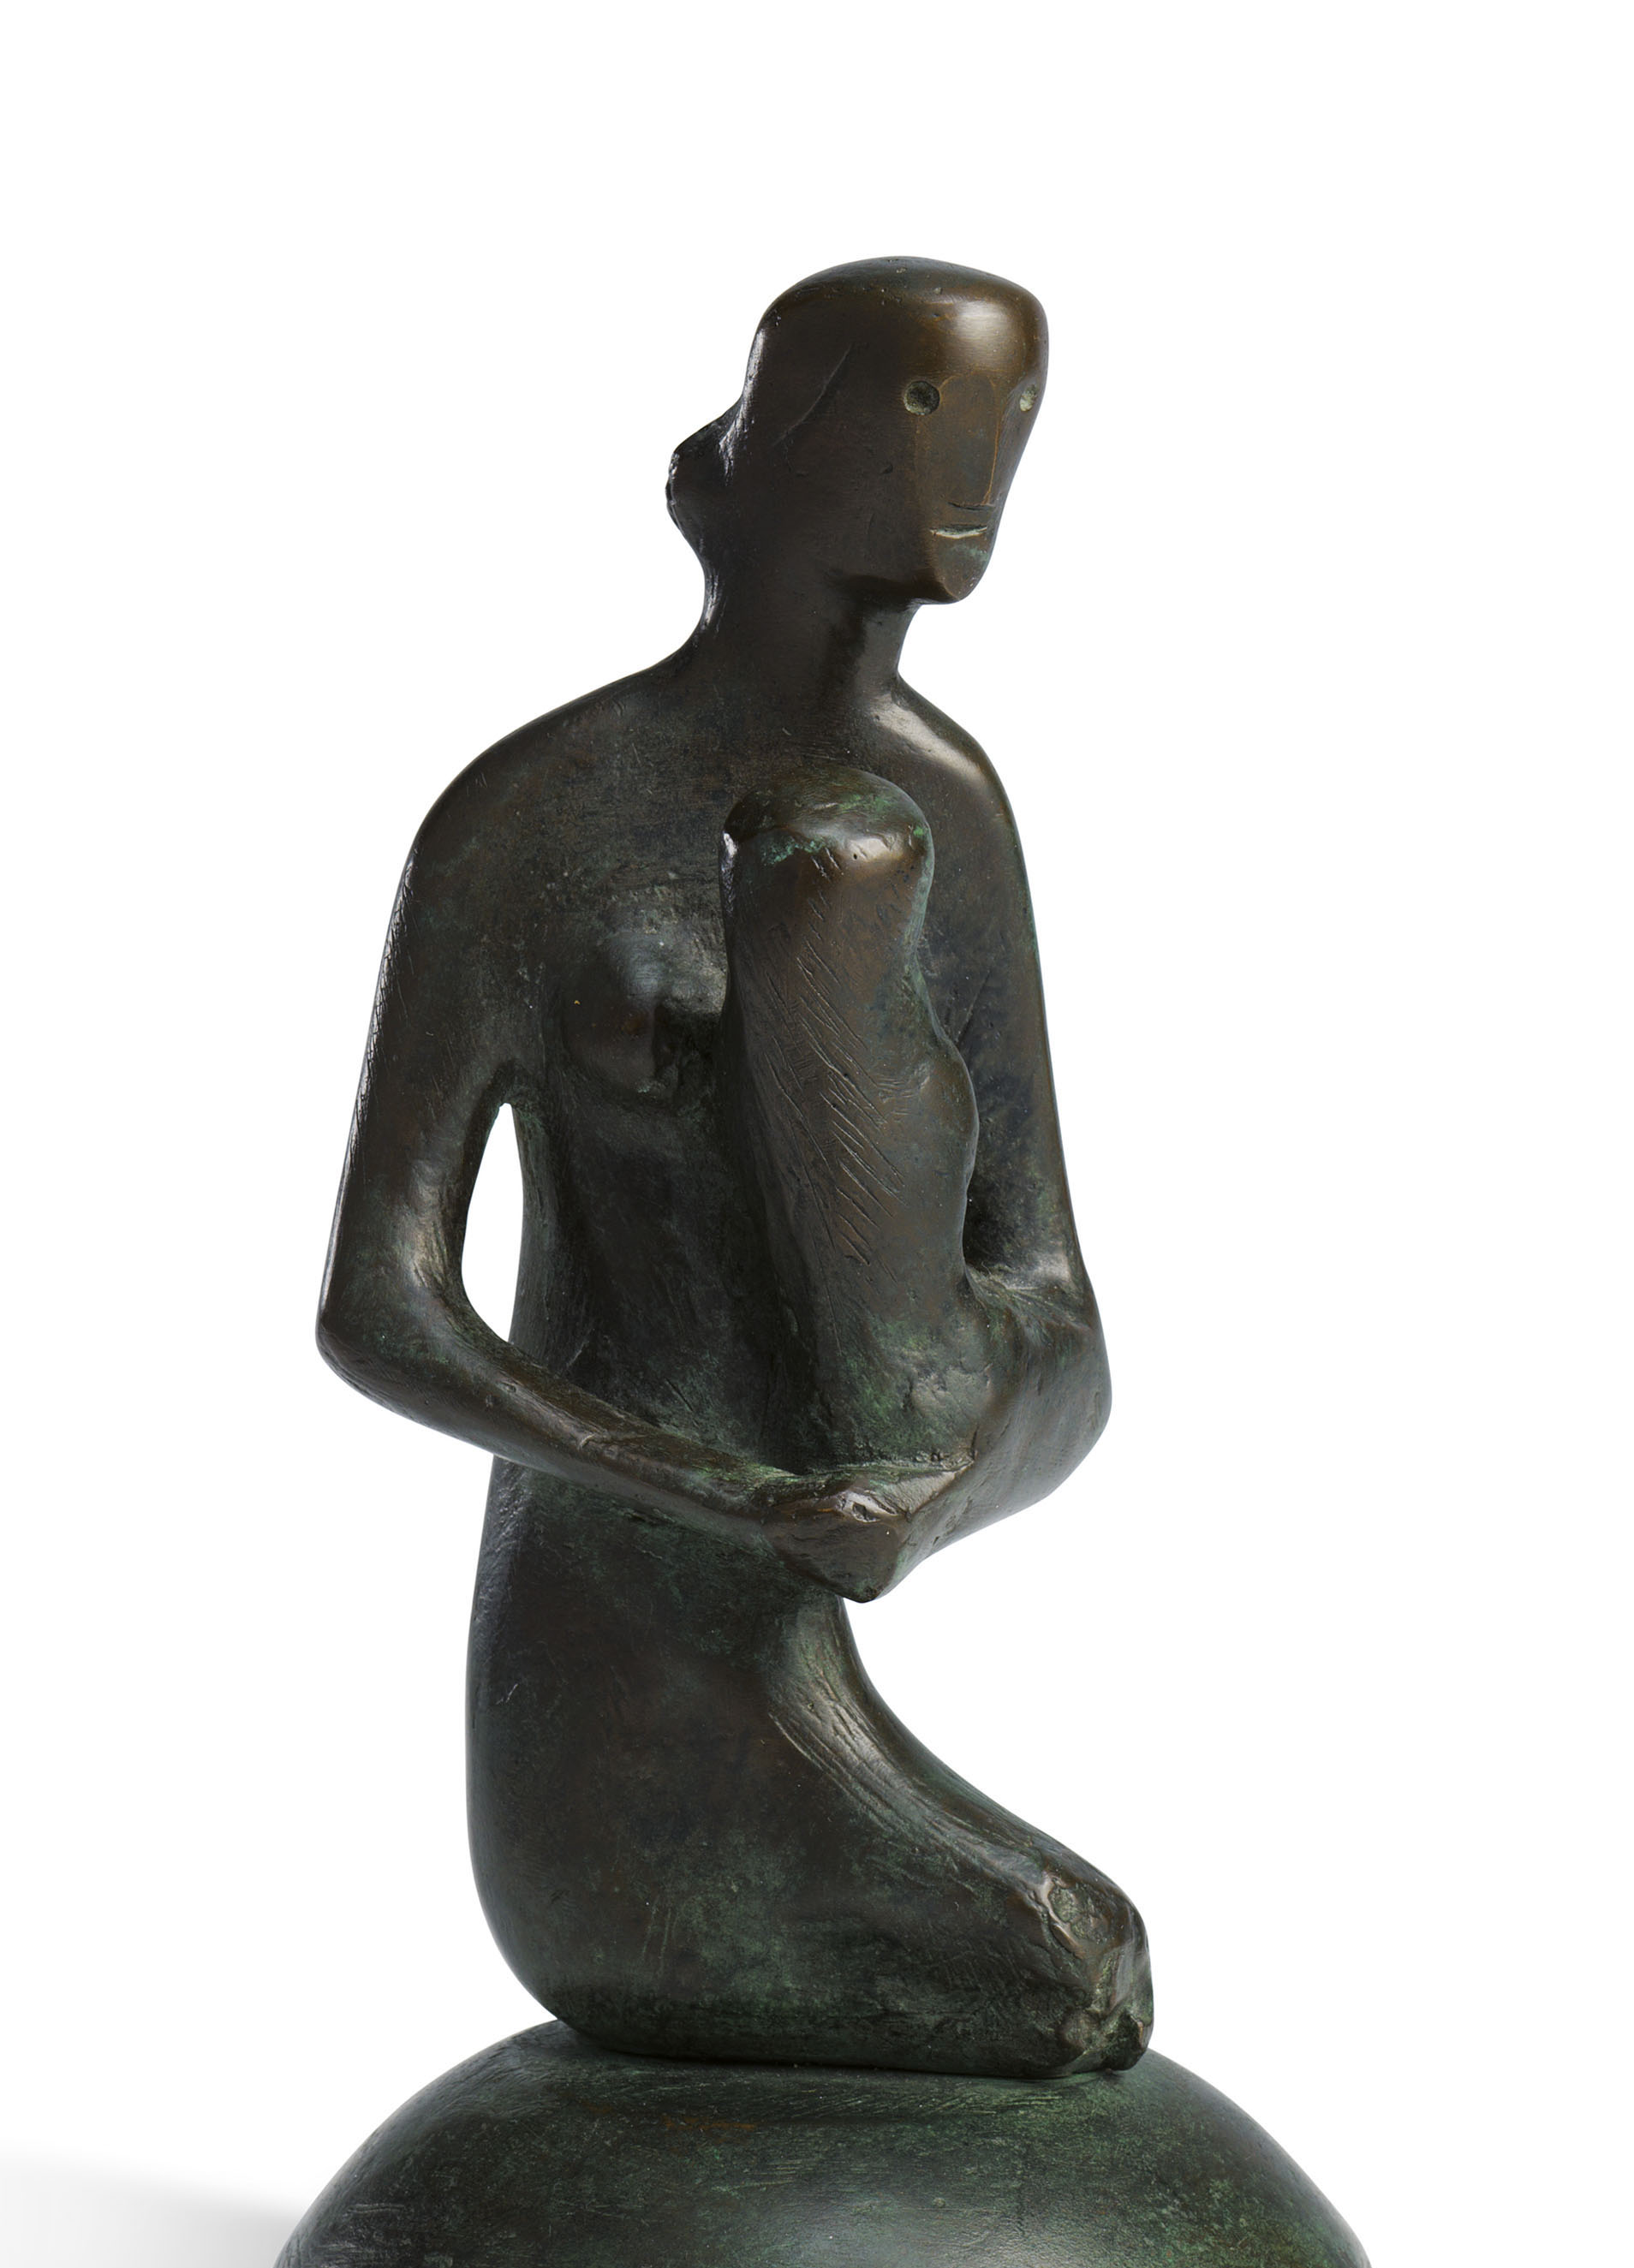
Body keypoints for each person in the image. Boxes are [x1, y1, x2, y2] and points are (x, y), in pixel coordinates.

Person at [319, 258, 1153, 2077]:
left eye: (1010, 415)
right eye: (922, 406)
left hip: (824, 1556)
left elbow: (1057, 1318)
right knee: (1061, 1972)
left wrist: (932, 1496)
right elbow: (380, 1306)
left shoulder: (947, 811)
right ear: (782, 440)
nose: (978, 467)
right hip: (612, 1653)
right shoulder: (532, 813)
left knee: (1088, 1977)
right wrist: (712, 1491)